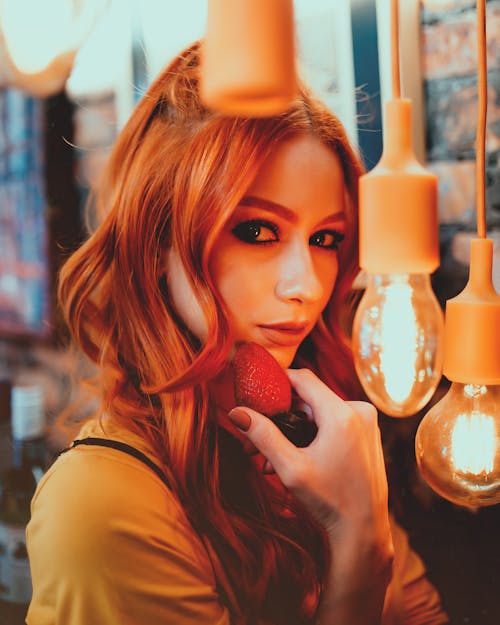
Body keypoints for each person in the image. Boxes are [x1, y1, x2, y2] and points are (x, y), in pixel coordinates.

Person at [26, 42, 449, 625]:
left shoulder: (315, 438)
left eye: (326, 239)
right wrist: (357, 544)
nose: (305, 285)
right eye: (257, 230)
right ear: (156, 245)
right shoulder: (101, 507)